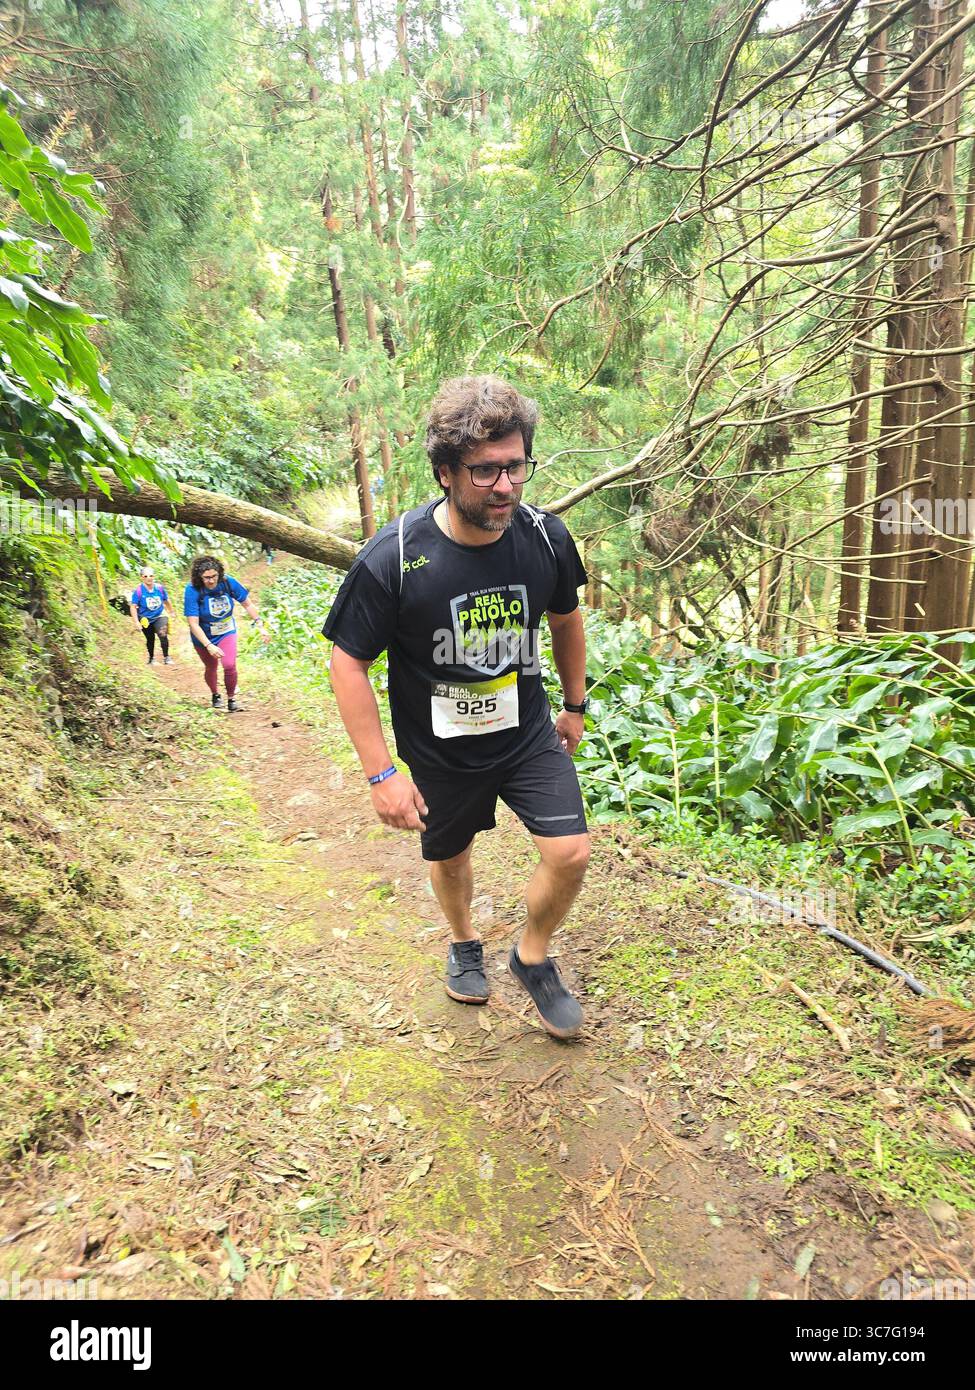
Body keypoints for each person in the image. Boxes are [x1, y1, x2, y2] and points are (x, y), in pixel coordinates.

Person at [323, 375, 591, 1039]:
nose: (503, 486)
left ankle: (530, 957)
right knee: (450, 855)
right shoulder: (395, 557)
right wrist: (383, 774)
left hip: (525, 733)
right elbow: (347, 662)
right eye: (483, 471)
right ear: (445, 472)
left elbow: (565, 619)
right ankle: (464, 940)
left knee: (571, 853)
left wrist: (575, 704)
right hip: (438, 747)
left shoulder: (545, 538)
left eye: (514, 467)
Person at [183, 555, 268, 711]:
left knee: (229, 665)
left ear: (219, 573)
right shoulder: (192, 590)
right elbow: (193, 623)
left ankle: (231, 699)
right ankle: (215, 694)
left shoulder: (228, 582)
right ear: (199, 577)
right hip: (203, 634)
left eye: (214, 576)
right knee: (211, 666)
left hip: (226, 630)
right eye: (206, 577)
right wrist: (208, 645)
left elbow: (247, 604)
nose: (211, 581)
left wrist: (260, 625)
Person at [130, 566, 175, 665]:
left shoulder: (159, 588)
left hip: (160, 615)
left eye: (151, 576)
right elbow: (133, 607)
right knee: (150, 638)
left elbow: (166, 600)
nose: (149, 578)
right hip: (145, 618)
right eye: (146, 576)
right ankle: (151, 658)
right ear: (142, 577)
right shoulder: (138, 591)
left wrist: (171, 611)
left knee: (163, 634)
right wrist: (136, 622)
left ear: (154, 576)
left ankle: (167, 657)